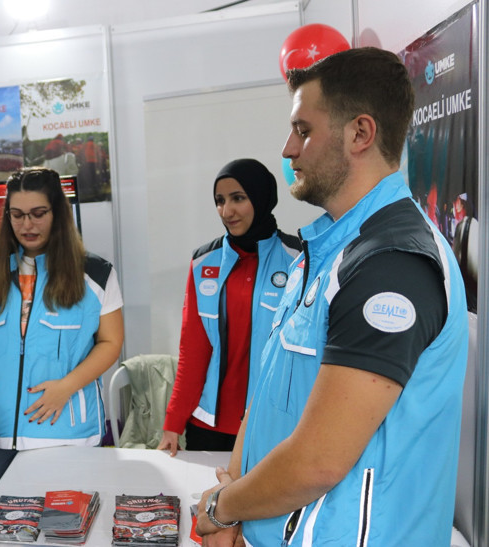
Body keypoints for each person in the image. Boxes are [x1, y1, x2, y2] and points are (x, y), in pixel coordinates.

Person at [195, 47, 468, 547]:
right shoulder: (321, 252)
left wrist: (220, 507)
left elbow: (318, 461)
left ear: (360, 134)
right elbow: (266, 397)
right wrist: (236, 502)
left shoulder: (391, 264)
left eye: (303, 130)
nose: (288, 149)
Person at [0, 167, 124, 489]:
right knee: (5, 530)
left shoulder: (96, 274)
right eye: (16, 215)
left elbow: (111, 342)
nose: (26, 225)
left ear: (57, 213)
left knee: (65, 526)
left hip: (63, 431)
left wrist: (66, 386)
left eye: (37, 214)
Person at [158, 159, 300, 455]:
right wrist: (174, 422)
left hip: (270, 424)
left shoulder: (298, 259)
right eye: (220, 201)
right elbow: (193, 352)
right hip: (207, 426)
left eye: (238, 198)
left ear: (261, 198)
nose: (227, 211)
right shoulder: (203, 262)